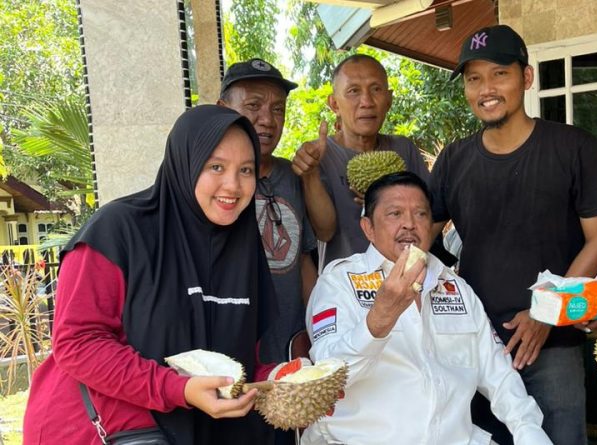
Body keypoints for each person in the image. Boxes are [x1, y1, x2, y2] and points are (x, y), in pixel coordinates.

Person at [23, 105, 275, 444]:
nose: (232, 185)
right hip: (102, 431)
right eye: (215, 166)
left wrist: (280, 380)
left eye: (246, 170)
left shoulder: (244, 246)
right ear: (185, 163)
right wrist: (178, 388)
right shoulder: (118, 230)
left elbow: (240, 359)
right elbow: (77, 343)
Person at [430, 24, 597, 445]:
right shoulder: (454, 160)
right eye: (474, 78)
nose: (486, 89)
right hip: (474, 347)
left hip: (553, 346)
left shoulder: (573, 148)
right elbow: (423, 240)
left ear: (526, 78)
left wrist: (545, 312)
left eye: (500, 74)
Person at [302, 172, 552, 445]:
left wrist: (530, 432)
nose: (409, 224)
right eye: (395, 214)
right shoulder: (339, 282)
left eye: (420, 214)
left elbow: (499, 374)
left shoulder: (455, 286)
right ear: (368, 228)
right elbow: (328, 375)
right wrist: (379, 319)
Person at [218, 58, 317, 364]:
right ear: (223, 109)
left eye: (278, 109)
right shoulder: (208, 183)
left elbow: (302, 260)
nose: (267, 120)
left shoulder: (293, 176)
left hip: (290, 346)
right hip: (232, 349)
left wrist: (317, 329)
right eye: (254, 105)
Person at [291, 54, 430, 268]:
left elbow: (427, 217)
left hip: (405, 280)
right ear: (334, 104)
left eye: (375, 89)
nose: (366, 102)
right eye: (353, 91)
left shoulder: (404, 149)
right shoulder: (318, 155)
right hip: (345, 288)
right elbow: (325, 232)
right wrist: (310, 175)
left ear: (389, 100)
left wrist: (387, 201)